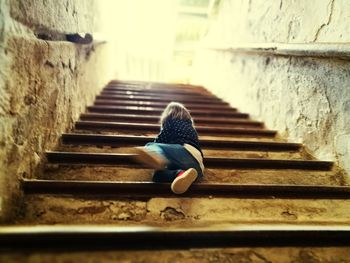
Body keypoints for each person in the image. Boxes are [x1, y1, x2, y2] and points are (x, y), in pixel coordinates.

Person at [134, 102, 204, 194]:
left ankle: (156, 158)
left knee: (150, 146)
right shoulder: (191, 128)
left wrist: (154, 152)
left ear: (169, 113)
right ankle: (180, 174)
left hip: (183, 153)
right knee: (157, 175)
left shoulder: (171, 121)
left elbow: (161, 139)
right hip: (198, 168)